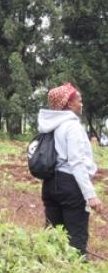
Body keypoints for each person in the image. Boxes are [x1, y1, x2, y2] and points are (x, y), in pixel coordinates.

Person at [37, 82, 102, 256]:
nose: (81, 103)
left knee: (53, 233)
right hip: (70, 184)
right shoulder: (72, 126)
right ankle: (78, 270)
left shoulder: (50, 125)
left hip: (50, 183)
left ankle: (49, 267)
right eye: (78, 99)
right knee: (76, 235)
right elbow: (76, 162)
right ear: (69, 103)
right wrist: (90, 195)